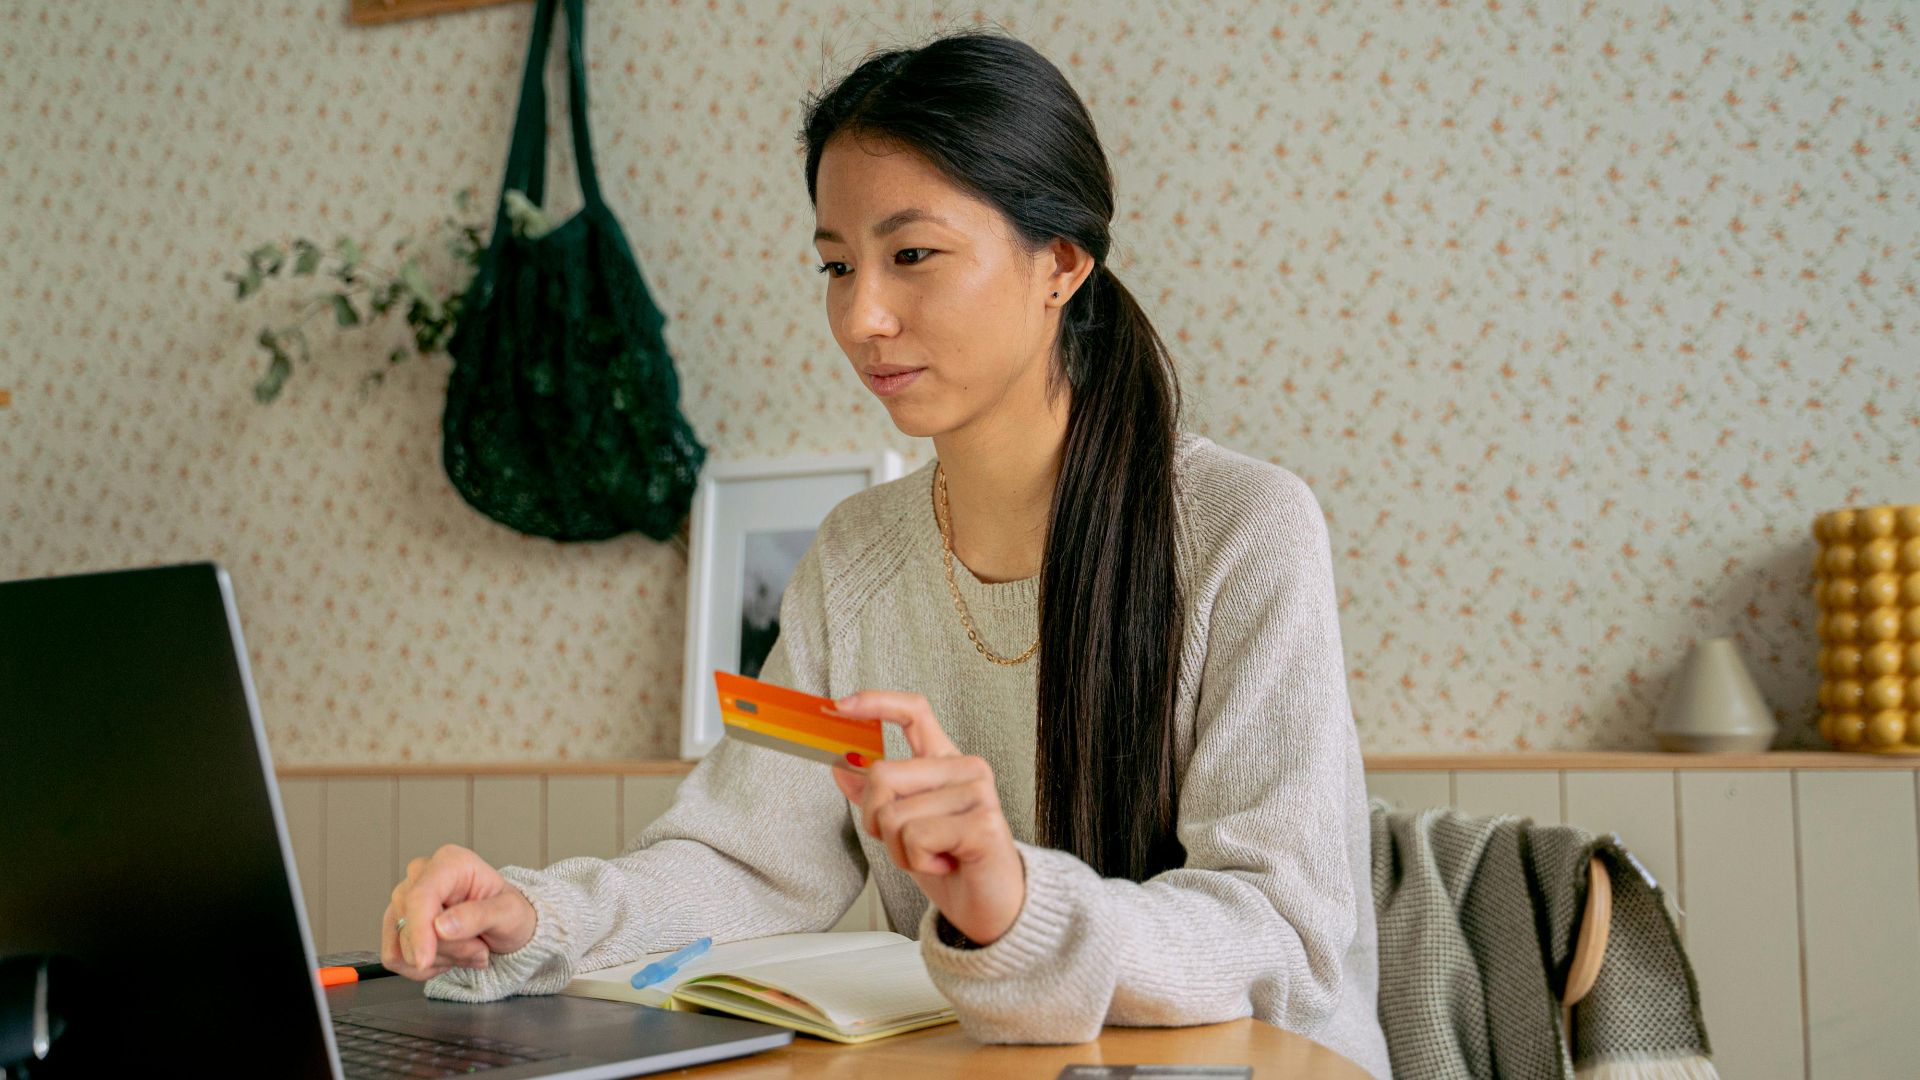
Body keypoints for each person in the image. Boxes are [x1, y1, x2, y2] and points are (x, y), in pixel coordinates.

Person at [381, 29, 1391, 1080]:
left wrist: (1016, 907)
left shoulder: (1245, 526)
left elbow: (1277, 921)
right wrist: (534, 915)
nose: (862, 317)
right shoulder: (857, 555)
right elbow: (751, 861)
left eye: (912, 255)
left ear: (1060, 262)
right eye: (835, 265)